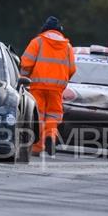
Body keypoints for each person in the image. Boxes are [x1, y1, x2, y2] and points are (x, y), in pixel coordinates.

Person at [20, 16, 76, 157]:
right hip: (56, 88)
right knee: (53, 115)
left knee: (37, 116)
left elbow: (25, 64)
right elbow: (72, 69)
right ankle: (50, 136)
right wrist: (62, 80)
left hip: (37, 85)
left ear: (44, 28)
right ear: (60, 31)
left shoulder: (37, 42)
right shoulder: (67, 47)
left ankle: (37, 147)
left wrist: (24, 77)